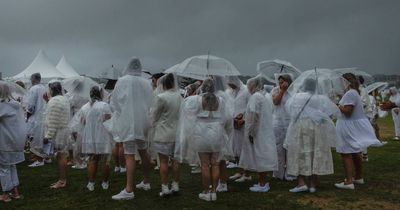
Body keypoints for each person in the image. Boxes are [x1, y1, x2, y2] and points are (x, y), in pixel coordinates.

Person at [175, 78, 232, 201]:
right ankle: (213, 191)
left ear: (203, 87)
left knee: (205, 165)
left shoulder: (195, 100)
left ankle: (207, 191)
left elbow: (187, 112)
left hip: (201, 133)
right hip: (217, 133)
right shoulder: (221, 100)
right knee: (215, 164)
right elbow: (227, 118)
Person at [109, 57, 153, 200]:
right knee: (143, 151)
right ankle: (146, 181)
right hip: (142, 120)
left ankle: (129, 189)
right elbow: (150, 101)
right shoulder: (146, 82)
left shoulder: (122, 81)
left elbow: (115, 102)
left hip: (128, 120)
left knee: (129, 154)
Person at [284, 78, 338, 193]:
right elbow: (330, 113)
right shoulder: (321, 98)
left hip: (300, 127)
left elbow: (289, 110)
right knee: (315, 153)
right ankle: (313, 184)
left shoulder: (296, 97)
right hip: (316, 128)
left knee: (299, 153)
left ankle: (301, 182)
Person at [335, 73, 382, 190]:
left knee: (346, 153)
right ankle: (358, 177)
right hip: (350, 125)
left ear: (345, 82)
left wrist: (337, 105)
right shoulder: (353, 92)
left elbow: (347, 111)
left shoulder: (350, 93)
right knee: (355, 151)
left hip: (347, 126)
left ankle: (349, 181)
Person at [239, 76, 278, 192]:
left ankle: (263, 184)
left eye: (249, 85)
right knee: (262, 156)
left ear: (253, 86)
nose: (248, 87)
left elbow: (254, 115)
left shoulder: (255, 97)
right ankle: (262, 182)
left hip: (259, 132)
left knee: (261, 156)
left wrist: (251, 132)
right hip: (264, 130)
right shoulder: (263, 96)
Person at [151, 73, 183, 196]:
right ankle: (175, 185)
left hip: (163, 133)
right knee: (175, 161)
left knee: (163, 162)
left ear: (164, 83)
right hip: (177, 133)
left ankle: (165, 187)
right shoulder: (180, 97)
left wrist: (152, 123)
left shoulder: (161, 97)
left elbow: (155, 115)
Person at [82, 86, 113, 191]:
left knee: (92, 160)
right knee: (104, 160)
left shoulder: (85, 107)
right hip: (102, 136)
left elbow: (83, 122)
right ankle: (105, 182)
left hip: (90, 136)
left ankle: (91, 183)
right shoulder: (104, 105)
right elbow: (108, 120)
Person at [0, 82, 26, 202]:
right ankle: (15, 191)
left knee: (3, 167)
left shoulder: (2, 105)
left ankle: (6, 194)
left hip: (5, 141)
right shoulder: (15, 104)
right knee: (11, 166)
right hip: (15, 140)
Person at [44, 82, 71, 189]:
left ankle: (62, 180)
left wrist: (48, 136)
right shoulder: (64, 99)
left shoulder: (54, 101)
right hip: (64, 130)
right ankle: (62, 179)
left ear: (52, 90)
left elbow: (53, 120)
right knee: (62, 155)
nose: (48, 91)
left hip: (59, 132)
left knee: (61, 156)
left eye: (49, 89)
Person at [225, 76, 251, 183]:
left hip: (243, 124)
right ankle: (240, 171)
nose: (230, 86)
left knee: (244, 149)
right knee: (236, 148)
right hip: (234, 123)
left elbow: (250, 107)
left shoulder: (246, 91)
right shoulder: (233, 92)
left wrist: (243, 118)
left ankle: (247, 173)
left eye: (231, 84)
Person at [271, 74, 293, 181]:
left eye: (283, 82)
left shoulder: (293, 92)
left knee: (289, 148)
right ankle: (279, 172)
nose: (280, 84)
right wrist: (282, 91)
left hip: (289, 122)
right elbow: (275, 102)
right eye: (279, 82)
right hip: (278, 123)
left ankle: (289, 173)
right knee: (278, 148)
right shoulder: (275, 90)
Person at [25, 73, 47, 167]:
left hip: (36, 117)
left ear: (33, 79)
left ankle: (39, 159)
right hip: (44, 116)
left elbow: (30, 106)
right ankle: (45, 157)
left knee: (35, 138)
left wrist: (27, 115)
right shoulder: (44, 88)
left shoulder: (34, 89)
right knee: (43, 138)